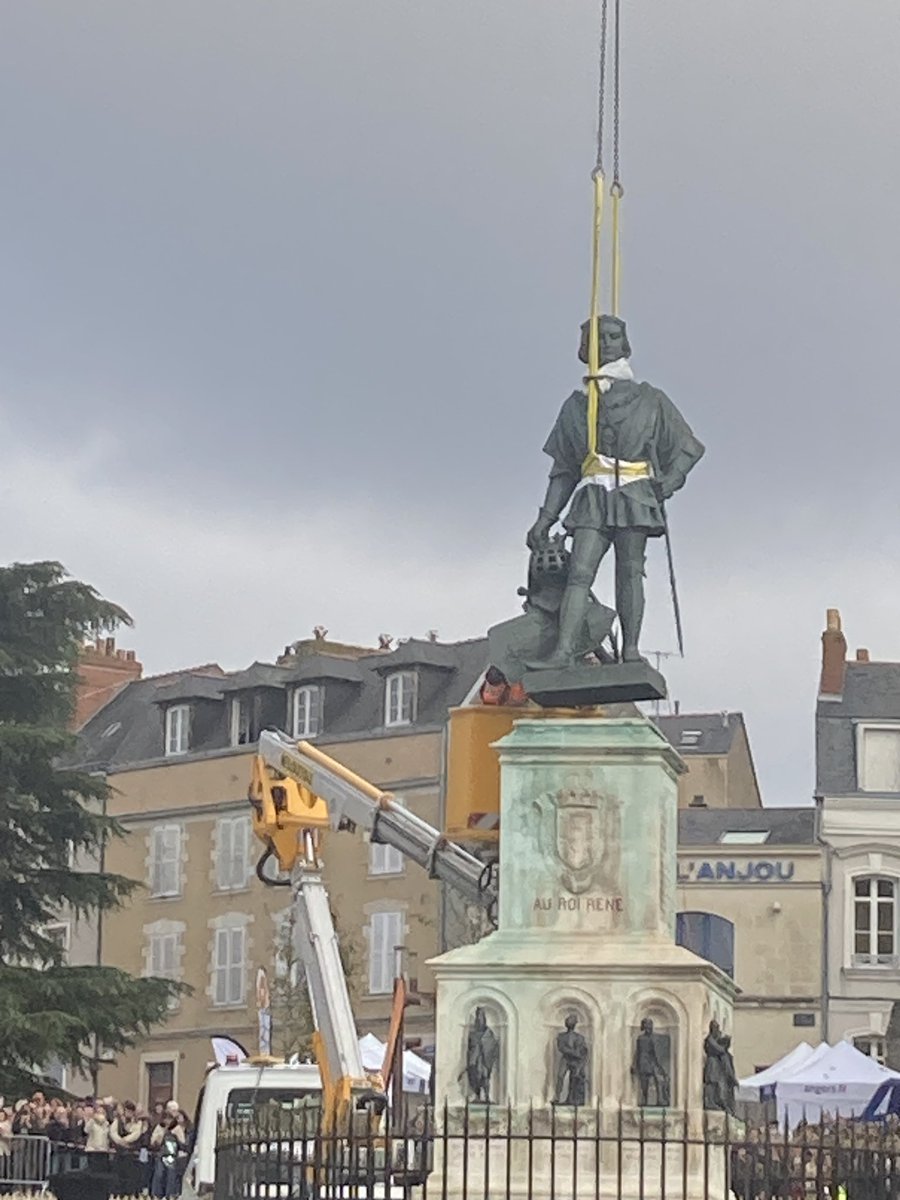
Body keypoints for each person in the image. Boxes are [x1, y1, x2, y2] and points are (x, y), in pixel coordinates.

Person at [526, 315, 704, 668]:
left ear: (624, 344)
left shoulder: (650, 399)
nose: (606, 343)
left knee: (630, 570)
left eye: (613, 337)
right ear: (586, 348)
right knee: (579, 572)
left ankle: (631, 650)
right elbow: (564, 470)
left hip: (634, 494)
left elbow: (688, 448)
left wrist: (669, 482)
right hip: (593, 495)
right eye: (599, 338)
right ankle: (564, 651)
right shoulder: (576, 406)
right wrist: (545, 519)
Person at [110, 1101, 145, 1196]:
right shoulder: (118, 1121)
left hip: (131, 1154)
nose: (128, 1113)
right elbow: (113, 1133)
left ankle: (129, 1195)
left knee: (130, 1176)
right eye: (127, 1110)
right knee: (118, 1175)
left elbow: (136, 1134)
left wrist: (125, 1140)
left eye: (130, 1111)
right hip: (119, 1153)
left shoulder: (137, 1122)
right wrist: (119, 1141)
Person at [150, 1108, 185, 1198]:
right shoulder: (159, 1127)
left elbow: (182, 1142)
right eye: (165, 1119)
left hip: (172, 1155)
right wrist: (161, 1135)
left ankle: (170, 1194)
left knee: (171, 1175)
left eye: (169, 1119)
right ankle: (157, 1194)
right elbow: (153, 1141)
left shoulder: (177, 1128)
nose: (167, 1121)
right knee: (159, 1174)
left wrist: (174, 1135)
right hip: (161, 1154)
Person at [554, 1014, 589, 1106]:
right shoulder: (561, 1036)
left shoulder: (579, 1037)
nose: (570, 1024)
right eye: (569, 1022)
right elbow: (562, 1048)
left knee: (575, 1078)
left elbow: (583, 1050)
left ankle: (572, 1099)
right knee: (560, 1076)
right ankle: (557, 1097)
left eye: (572, 1022)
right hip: (566, 1059)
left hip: (576, 1061)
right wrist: (575, 1053)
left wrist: (578, 1055)